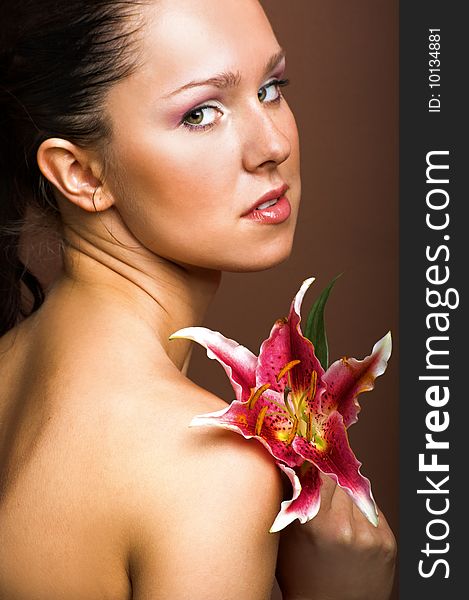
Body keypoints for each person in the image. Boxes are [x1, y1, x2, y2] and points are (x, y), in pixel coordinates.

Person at [0, 0, 397, 598]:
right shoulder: (210, 474)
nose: (272, 146)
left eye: (271, 88)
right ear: (80, 173)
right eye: (201, 113)